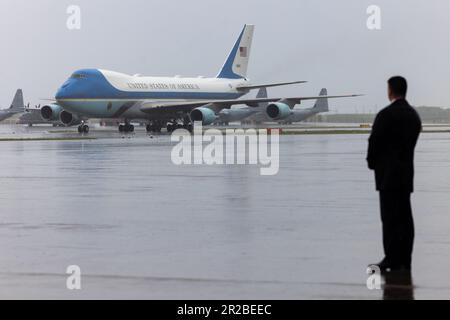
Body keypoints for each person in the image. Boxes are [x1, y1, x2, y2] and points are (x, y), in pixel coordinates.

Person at [367, 76, 422, 272]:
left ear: (391, 91)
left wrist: (372, 164)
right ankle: (405, 259)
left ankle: (391, 258)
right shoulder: (413, 115)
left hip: (388, 176)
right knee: (405, 219)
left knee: (390, 219)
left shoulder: (386, 115)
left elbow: (374, 143)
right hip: (405, 175)